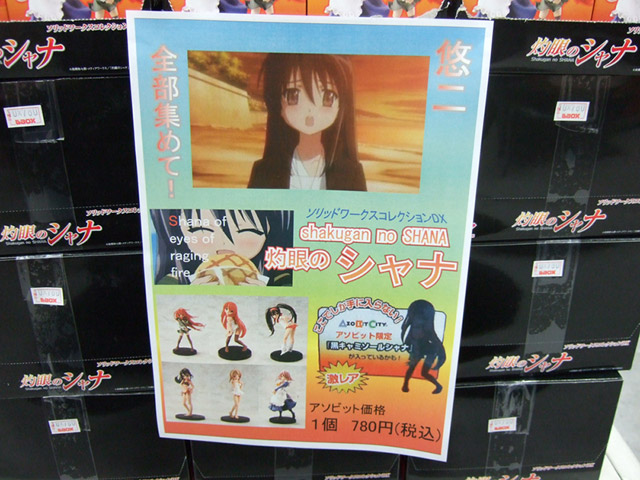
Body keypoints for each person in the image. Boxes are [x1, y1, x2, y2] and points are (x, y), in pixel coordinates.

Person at [248, 54, 366, 191]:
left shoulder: (351, 173)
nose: (310, 109)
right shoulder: (264, 171)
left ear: (340, 106)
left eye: (328, 97)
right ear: (278, 103)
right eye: (293, 95)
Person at [151, 209, 293, 286]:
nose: (224, 249)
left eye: (248, 230)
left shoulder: (283, 280)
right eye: (200, 229)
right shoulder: (170, 282)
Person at [400, 300, 446, 394]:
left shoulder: (429, 332)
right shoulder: (412, 330)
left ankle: (438, 386)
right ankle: (405, 385)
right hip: (417, 348)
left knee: (424, 373)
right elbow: (408, 337)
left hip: (430, 350)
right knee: (411, 367)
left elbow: (435, 342)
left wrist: (440, 353)